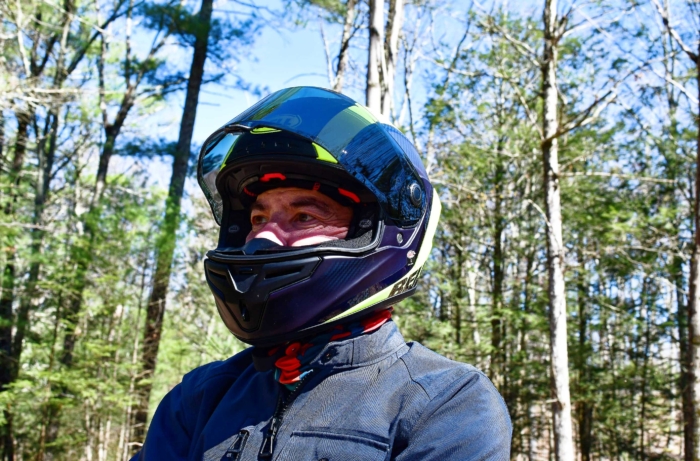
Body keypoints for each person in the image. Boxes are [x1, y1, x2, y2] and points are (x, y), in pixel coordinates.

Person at [133, 87, 511, 461]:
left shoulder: (445, 403)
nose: (262, 238)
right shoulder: (201, 396)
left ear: (377, 232)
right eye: (257, 218)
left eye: (304, 216)